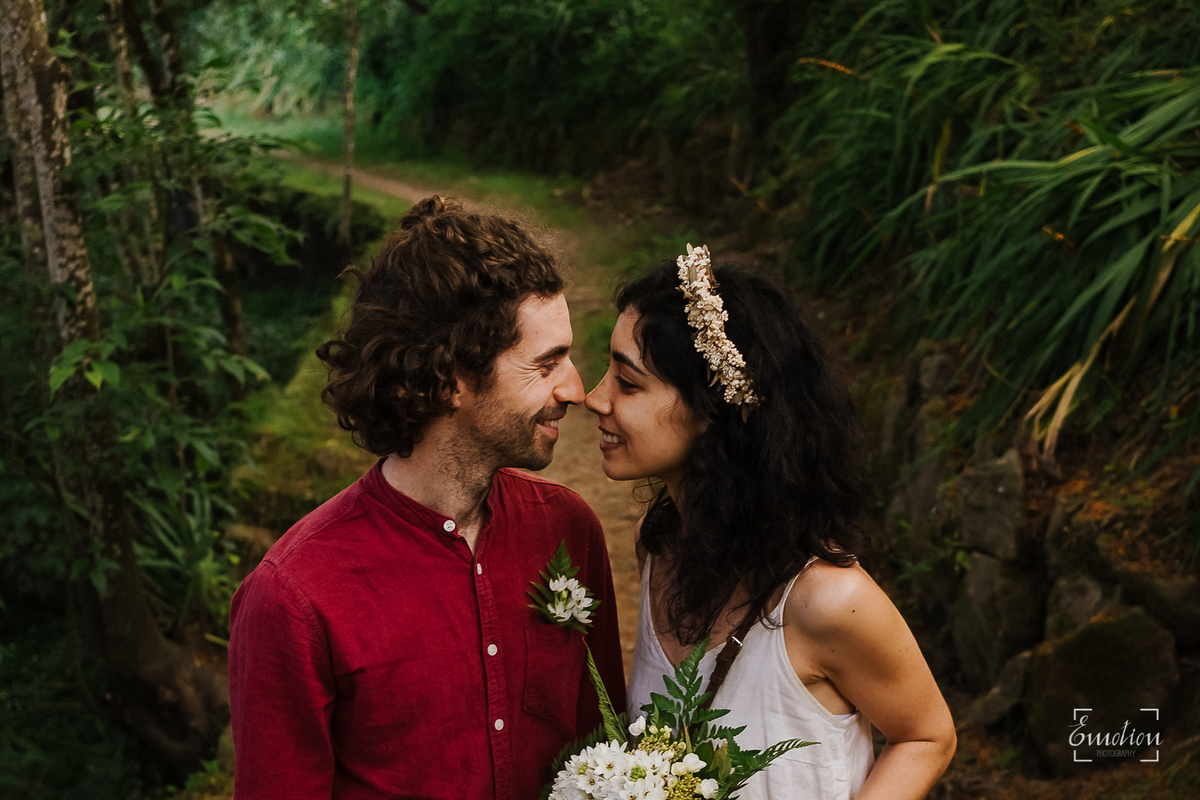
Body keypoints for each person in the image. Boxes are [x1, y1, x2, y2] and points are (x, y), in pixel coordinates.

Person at [228, 196, 625, 800]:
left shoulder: (568, 529)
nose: (576, 388)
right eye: (546, 365)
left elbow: (609, 752)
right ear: (450, 379)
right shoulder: (295, 598)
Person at [584, 246, 955, 800]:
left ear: (713, 412)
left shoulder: (826, 601)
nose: (594, 398)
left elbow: (927, 736)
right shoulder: (659, 549)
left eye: (628, 383)